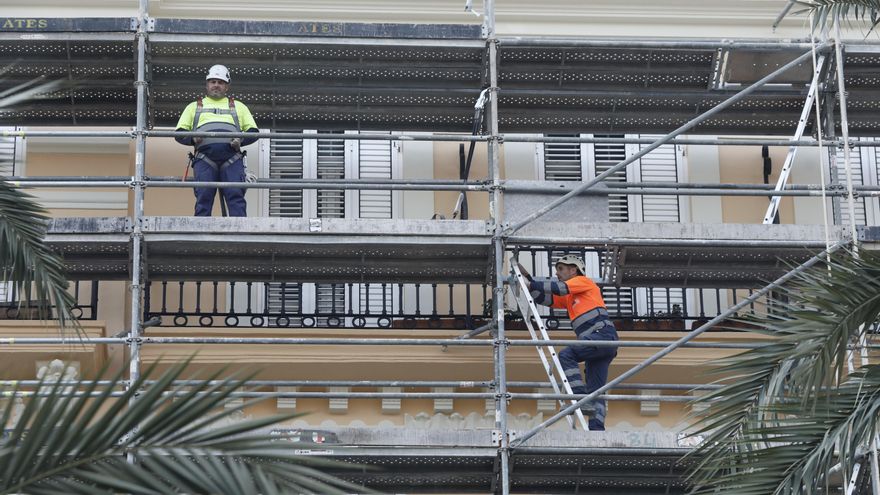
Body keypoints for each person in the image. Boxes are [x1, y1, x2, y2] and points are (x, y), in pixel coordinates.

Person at [519, 255, 618, 431]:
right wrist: (528, 280)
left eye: (561, 269)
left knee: (566, 354)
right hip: (601, 341)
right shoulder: (571, 295)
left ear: (574, 270)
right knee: (596, 390)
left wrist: (532, 283)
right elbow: (546, 298)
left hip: (600, 336)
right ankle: (597, 430)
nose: (557, 273)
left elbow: (559, 288)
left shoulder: (583, 281)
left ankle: (579, 399)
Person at [175, 64, 259, 217]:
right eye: (213, 82)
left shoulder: (238, 107)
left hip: (232, 158)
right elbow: (179, 133)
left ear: (227, 86)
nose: (216, 85)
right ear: (207, 85)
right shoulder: (194, 107)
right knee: (203, 197)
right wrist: (193, 139)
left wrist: (241, 141)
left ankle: (239, 234)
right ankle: (201, 234)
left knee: (236, 196)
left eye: (220, 82)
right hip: (204, 159)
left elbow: (253, 132)